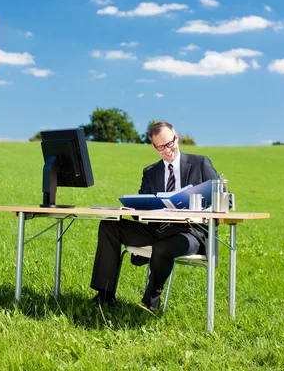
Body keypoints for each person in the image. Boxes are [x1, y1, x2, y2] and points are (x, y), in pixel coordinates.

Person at [90, 120, 219, 310]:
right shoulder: (150, 172)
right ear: (153, 147)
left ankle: (151, 300)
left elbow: (226, 199)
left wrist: (199, 206)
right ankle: (105, 295)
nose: (167, 150)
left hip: (190, 233)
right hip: (157, 228)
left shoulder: (200, 163)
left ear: (176, 137)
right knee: (109, 226)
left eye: (170, 144)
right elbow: (143, 204)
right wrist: (134, 209)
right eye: (161, 147)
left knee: (162, 247)